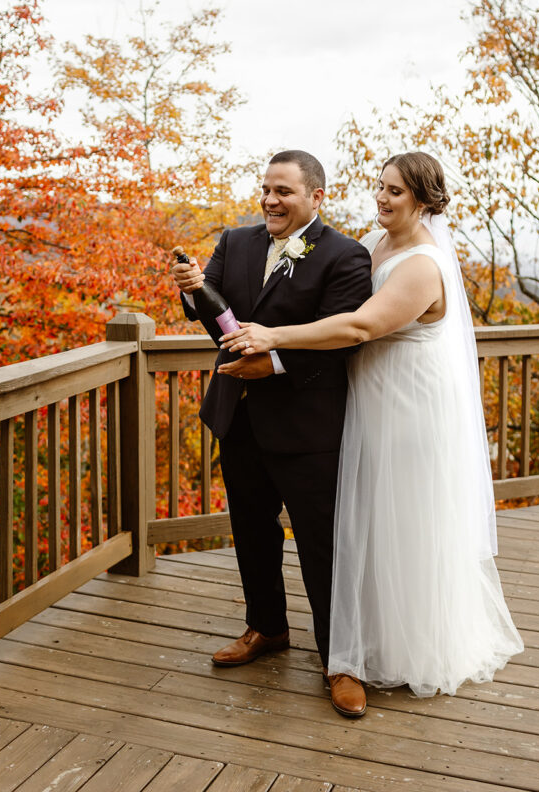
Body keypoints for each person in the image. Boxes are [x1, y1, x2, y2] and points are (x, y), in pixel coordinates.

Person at [221, 151, 524, 698]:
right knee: (363, 525)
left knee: (404, 525)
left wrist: (273, 337)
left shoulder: (424, 265)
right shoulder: (375, 243)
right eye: (380, 187)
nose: (382, 198)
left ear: (426, 202)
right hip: (365, 400)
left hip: (409, 405)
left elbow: (360, 326)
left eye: (396, 192)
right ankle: (355, 641)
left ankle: (402, 647)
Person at [171, 150, 373, 717]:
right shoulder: (235, 243)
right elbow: (210, 314)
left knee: (321, 546)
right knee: (251, 530)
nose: (270, 200)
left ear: (316, 196)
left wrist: (275, 362)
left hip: (307, 426)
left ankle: (341, 661)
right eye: (265, 189)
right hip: (239, 418)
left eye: (283, 191)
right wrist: (191, 288)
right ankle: (266, 628)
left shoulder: (345, 255)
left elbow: (343, 340)